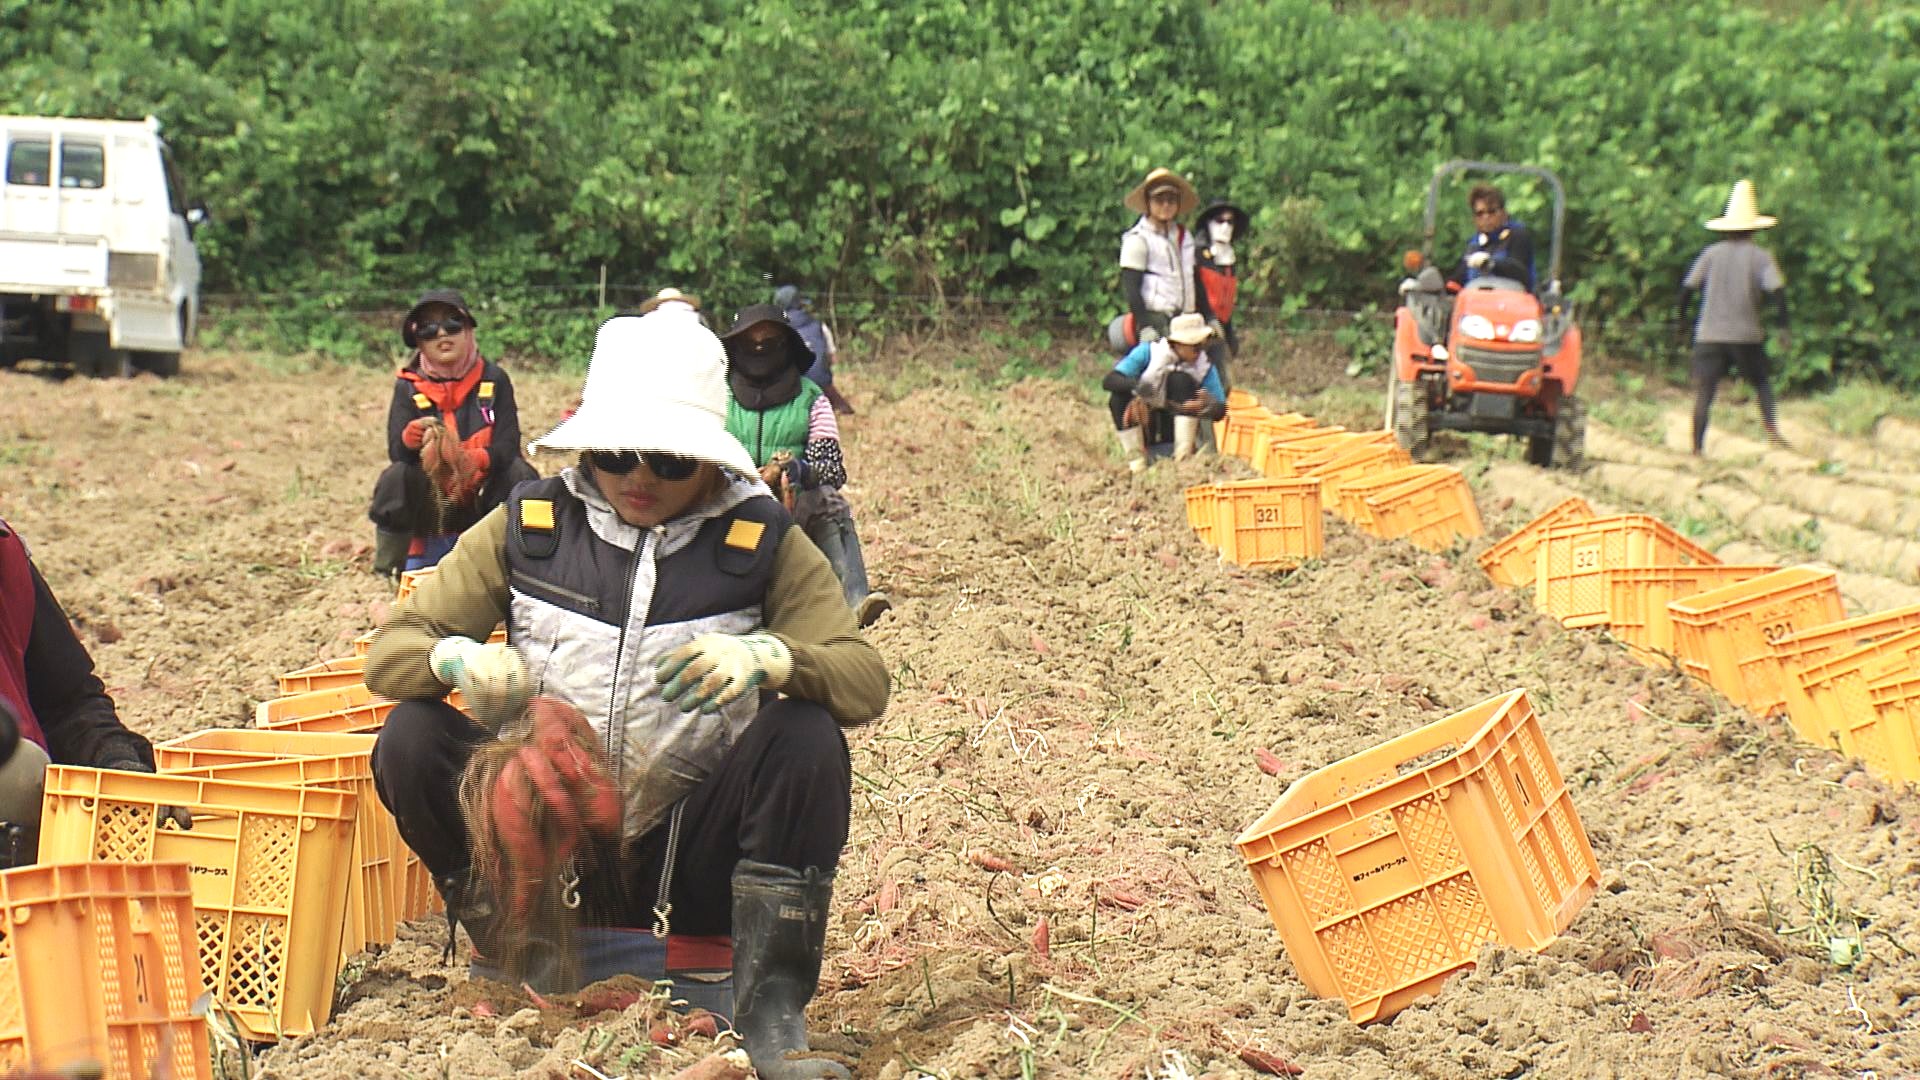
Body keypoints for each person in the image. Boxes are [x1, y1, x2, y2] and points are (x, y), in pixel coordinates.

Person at [366, 311, 888, 1080]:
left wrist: (773, 656)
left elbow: (861, 677)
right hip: (549, 835)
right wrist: (452, 657)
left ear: (708, 460)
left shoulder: (760, 540)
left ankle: (766, 1002)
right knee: (410, 737)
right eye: (618, 454)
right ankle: (514, 944)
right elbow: (391, 652)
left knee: (806, 736)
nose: (639, 478)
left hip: (689, 850)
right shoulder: (531, 525)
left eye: (669, 462)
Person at [1, 517, 181, 870]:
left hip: (25, 852)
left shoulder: (5, 557)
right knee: (18, 773)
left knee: (22, 774)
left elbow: (67, 702)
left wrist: (117, 764)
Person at [720, 305, 889, 629]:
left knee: (830, 501)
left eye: (770, 342)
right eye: (751, 343)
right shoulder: (720, 398)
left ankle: (855, 600)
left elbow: (832, 470)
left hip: (792, 506)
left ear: (788, 347)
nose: (760, 350)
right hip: (731, 506)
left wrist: (799, 471)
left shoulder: (811, 399)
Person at [368, 290, 539, 578]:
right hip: (434, 502)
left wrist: (474, 461)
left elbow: (508, 445)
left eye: (452, 324)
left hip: (483, 499)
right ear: (419, 341)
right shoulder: (407, 387)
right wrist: (410, 440)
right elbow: (397, 454)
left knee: (521, 475)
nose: (442, 334)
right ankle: (388, 570)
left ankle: (530, 562)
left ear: (469, 330)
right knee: (395, 477)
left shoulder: (495, 379)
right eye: (429, 329)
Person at [1677, 179, 1790, 456]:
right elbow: (1777, 291)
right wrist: (1783, 326)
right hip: (1746, 334)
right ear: (1753, 228)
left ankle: (1696, 447)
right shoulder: (1761, 257)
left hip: (1710, 333)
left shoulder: (1711, 255)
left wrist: (1680, 321)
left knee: (1706, 390)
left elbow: (1688, 288)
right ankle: (1772, 431)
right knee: (1761, 382)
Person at [1102, 313, 1227, 472]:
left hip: (1179, 420)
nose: (1199, 350)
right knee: (1118, 398)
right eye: (1194, 345)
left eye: (1202, 345)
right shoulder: (1148, 352)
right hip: (1146, 419)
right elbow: (1110, 380)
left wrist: (1209, 405)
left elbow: (1222, 409)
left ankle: (1183, 459)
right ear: (1176, 343)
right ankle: (1137, 464)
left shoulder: (1205, 367)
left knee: (1180, 380)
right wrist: (1136, 386)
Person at [1116, 168, 1219, 349]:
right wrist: (1144, 325)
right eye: (1159, 199)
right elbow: (1131, 288)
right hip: (1156, 317)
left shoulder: (1184, 236)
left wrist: (1210, 316)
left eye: (1171, 200)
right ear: (1148, 202)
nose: (1166, 205)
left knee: (1208, 362)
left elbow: (1194, 278)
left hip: (1187, 317)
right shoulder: (1137, 239)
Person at [774, 284, 854, 415]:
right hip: (821, 382)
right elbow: (833, 358)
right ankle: (843, 410)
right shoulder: (818, 325)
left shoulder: (777, 330)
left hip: (792, 387)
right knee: (834, 400)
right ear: (801, 303)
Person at [1193, 199, 1249, 374]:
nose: (1225, 226)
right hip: (1197, 326)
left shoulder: (1230, 261)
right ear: (1209, 223)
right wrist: (1209, 319)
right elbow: (1196, 292)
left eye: (1230, 222)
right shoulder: (1197, 256)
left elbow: (1227, 301)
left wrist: (1229, 331)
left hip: (1219, 326)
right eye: (1219, 220)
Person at [1449, 184, 1536, 292]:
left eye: (1491, 211)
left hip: (1512, 301)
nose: (1486, 217)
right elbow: (1457, 279)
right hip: (1476, 301)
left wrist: (1491, 263)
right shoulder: (1474, 244)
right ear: (1474, 218)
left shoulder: (1518, 235)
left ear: (1503, 213)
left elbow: (1521, 272)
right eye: (1480, 213)